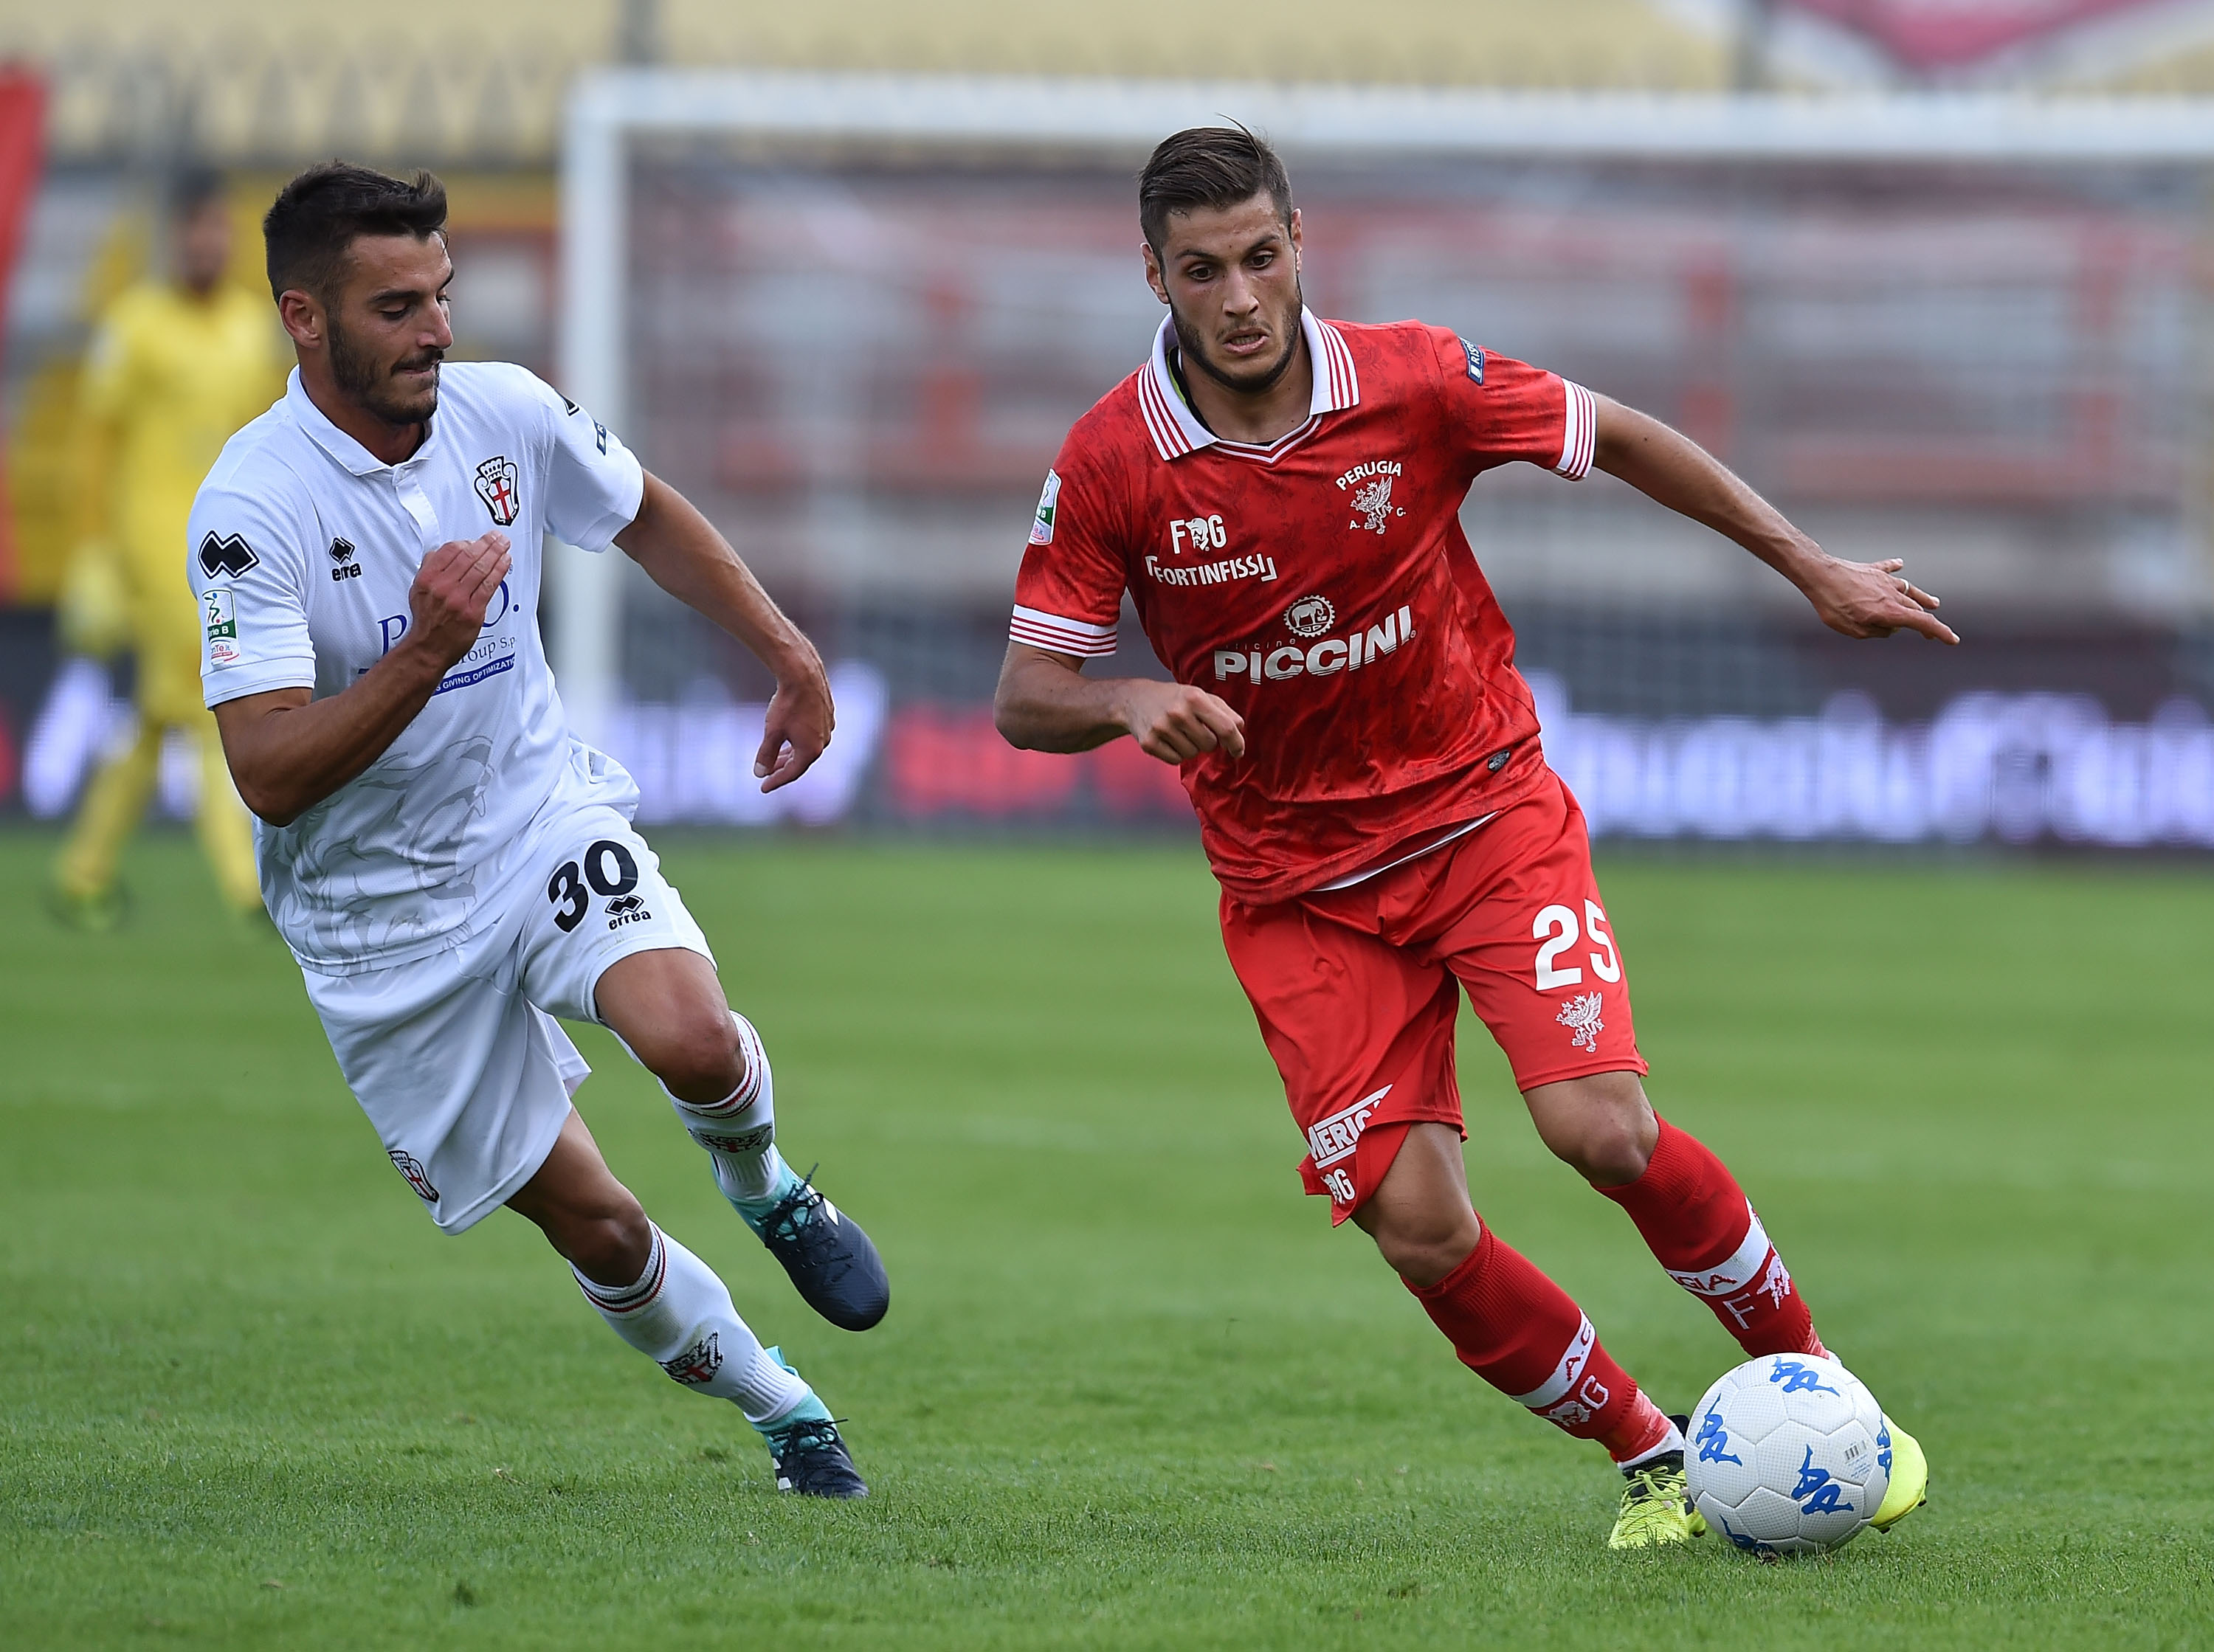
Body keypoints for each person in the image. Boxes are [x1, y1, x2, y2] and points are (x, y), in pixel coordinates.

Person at [996, 126, 1936, 1547]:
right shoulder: (1115, 459)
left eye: (1261, 257)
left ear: (1301, 243)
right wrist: (1126, 698)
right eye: (1203, 270)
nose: (1240, 296)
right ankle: (1655, 1454)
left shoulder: (1419, 377)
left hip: (1482, 806)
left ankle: (1818, 1382)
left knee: (1599, 1127)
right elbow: (1026, 692)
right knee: (1419, 1225)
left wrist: (1808, 563)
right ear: (1155, 275)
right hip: (1296, 886)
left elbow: (1614, 432)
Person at [187, 162, 888, 1496]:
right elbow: (269, 770)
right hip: (375, 921)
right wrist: (424, 648)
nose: (437, 330)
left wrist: (787, 651)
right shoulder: (249, 510)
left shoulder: (501, 411)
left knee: (689, 1033)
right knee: (604, 1224)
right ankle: (784, 1405)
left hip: (531, 815)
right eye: (397, 307)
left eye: (442, 296)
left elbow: (646, 515)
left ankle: (766, 1184)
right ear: (303, 317)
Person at [52, 170, 277, 928]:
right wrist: (92, 549)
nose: (204, 243)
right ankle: (246, 885)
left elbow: (264, 443)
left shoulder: (251, 328)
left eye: (217, 229)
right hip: (154, 546)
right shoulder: (136, 324)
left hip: (226, 544)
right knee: (212, 693)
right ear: (174, 237)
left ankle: (85, 871)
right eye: (193, 230)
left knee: (158, 714)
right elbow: (95, 442)